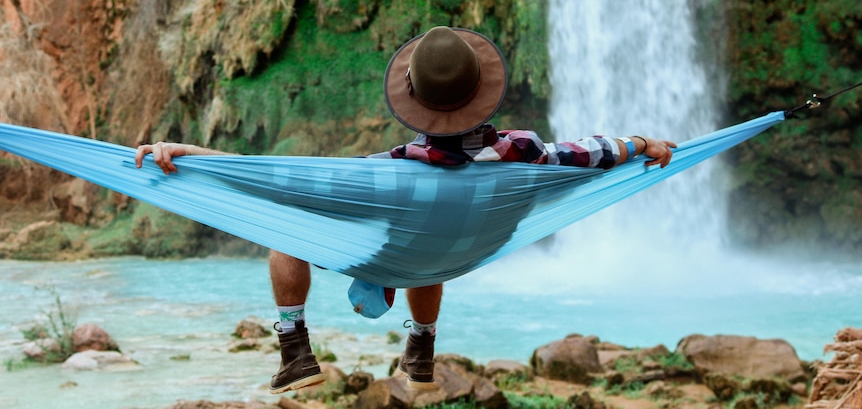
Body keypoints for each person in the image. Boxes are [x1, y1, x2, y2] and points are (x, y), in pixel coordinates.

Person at [135, 26, 676, 393]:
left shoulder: (388, 172)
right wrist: (639, 141)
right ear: (483, 94)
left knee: (287, 229)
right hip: (455, 256)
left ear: (414, 101)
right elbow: (593, 152)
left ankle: (295, 349)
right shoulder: (530, 154)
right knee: (429, 249)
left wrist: (194, 157)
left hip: (402, 248)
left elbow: (274, 180)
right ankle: (421, 349)